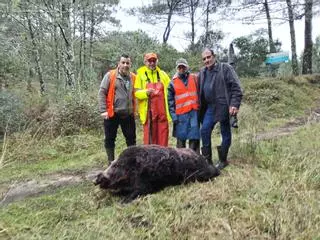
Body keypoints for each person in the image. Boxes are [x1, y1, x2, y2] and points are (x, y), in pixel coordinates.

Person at [198, 48, 243, 169]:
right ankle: (207, 162)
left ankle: (223, 160)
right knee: (204, 130)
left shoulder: (225, 68)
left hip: (224, 105)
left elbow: (236, 87)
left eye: (208, 57)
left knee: (225, 132)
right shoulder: (202, 72)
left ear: (214, 56)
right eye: (204, 59)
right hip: (210, 107)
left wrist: (234, 104)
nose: (207, 60)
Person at [98, 54, 136, 165]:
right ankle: (111, 162)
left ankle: (131, 162)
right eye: (123, 62)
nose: (125, 65)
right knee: (110, 139)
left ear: (130, 64)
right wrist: (103, 110)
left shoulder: (134, 77)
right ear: (118, 64)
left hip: (128, 114)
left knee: (131, 139)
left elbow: (137, 95)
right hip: (112, 113)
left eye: (127, 63)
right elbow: (102, 92)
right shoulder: (110, 75)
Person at [134, 52, 171, 146]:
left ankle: (164, 160)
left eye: (154, 61)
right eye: (149, 61)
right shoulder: (140, 74)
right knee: (150, 144)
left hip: (163, 115)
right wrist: (145, 92)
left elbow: (171, 89)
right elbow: (136, 93)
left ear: (157, 61)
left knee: (163, 142)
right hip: (148, 116)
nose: (152, 63)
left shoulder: (163, 74)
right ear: (145, 62)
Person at [168, 58, 200, 153]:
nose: (182, 69)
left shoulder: (194, 78)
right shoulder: (172, 83)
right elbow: (170, 102)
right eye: (180, 67)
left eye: (183, 67)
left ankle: (195, 162)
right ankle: (180, 164)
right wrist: (173, 116)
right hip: (180, 116)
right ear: (177, 68)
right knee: (181, 142)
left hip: (194, 113)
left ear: (187, 67)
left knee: (194, 139)